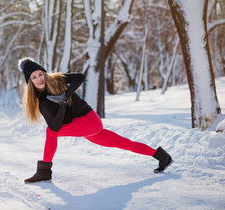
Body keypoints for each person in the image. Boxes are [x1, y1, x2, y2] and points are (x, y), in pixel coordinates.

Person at [18, 57, 173, 183]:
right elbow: (56, 125)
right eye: (34, 77)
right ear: (30, 82)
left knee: (50, 132)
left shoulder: (57, 80)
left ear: (44, 73)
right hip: (86, 129)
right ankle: (162, 157)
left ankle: (44, 172)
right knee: (124, 143)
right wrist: (63, 104)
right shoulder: (42, 101)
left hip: (89, 120)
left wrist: (66, 94)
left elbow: (79, 77)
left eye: (40, 74)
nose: (39, 79)